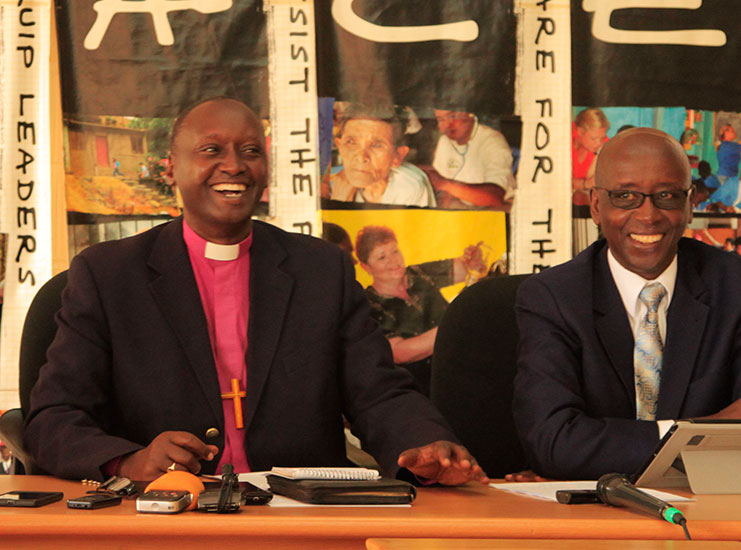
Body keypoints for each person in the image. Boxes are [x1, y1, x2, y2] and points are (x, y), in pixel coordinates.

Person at [24, 97, 488, 486]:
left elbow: (378, 393)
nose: (234, 166)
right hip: (164, 517)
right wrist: (128, 461)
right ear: (172, 168)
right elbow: (53, 418)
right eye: (211, 150)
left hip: (302, 515)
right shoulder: (109, 274)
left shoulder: (320, 269)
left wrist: (423, 444)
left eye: (250, 150)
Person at [513, 128, 741, 480]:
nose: (648, 215)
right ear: (597, 207)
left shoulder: (739, 288)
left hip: (706, 512)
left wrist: (601, 449)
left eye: (667, 196)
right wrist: (709, 429)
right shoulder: (553, 296)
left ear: (690, 206)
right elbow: (554, 444)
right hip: (594, 516)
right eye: (626, 196)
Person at [355, 226, 486, 395]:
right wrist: (455, 325)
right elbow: (400, 353)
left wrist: (472, 260)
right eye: (382, 257)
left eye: (395, 251)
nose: (393, 260)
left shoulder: (416, 273)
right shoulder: (369, 304)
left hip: (462, 369)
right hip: (419, 390)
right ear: (366, 267)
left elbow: (464, 269)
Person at [326, 105, 435, 208]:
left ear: (398, 155)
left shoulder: (408, 187)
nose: (361, 156)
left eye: (377, 146)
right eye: (351, 142)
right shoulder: (331, 182)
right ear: (340, 147)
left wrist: (340, 202)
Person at [429, 109, 513, 209]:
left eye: (452, 117)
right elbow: (443, 194)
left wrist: (445, 184)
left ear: (470, 114)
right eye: (441, 120)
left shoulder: (492, 141)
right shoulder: (445, 141)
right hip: (464, 210)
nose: (447, 124)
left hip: (495, 210)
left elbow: (495, 197)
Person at [571, 107, 610, 207]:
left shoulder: (604, 145)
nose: (598, 143)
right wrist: (585, 184)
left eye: (602, 137)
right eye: (593, 138)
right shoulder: (563, 136)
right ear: (579, 132)